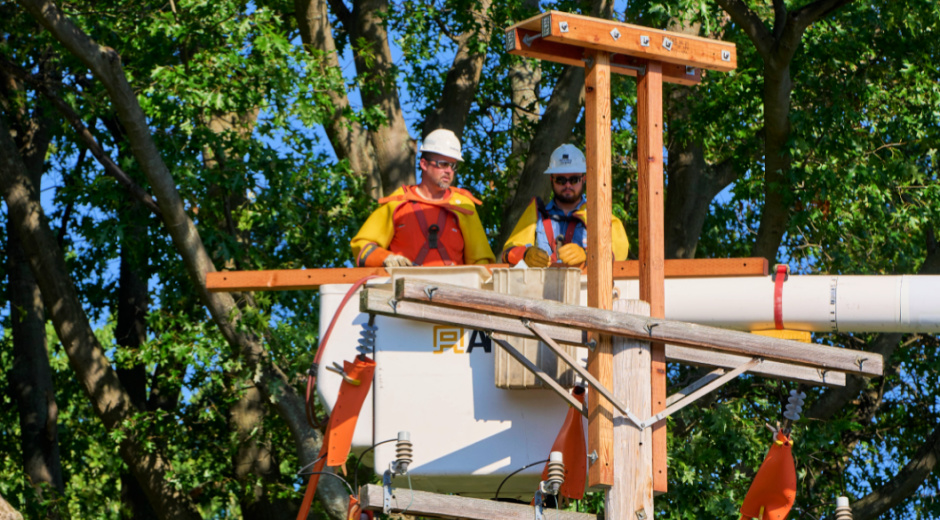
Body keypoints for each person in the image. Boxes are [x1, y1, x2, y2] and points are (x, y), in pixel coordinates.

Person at [351, 129, 495, 267]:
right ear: (424, 164)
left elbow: (481, 263)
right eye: (443, 164)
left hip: (454, 289)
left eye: (453, 166)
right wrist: (385, 258)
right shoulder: (398, 202)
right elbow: (362, 246)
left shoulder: (464, 206)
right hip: (404, 288)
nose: (449, 171)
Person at [501, 144, 629, 267]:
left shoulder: (598, 215)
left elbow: (620, 250)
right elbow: (508, 252)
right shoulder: (536, 214)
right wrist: (525, 254)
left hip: (586, 288)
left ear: (583, 179)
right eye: (561, 180)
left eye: (574, 179)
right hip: (543, 287)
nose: (568, 185)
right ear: (552, 179)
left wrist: (588, 255)